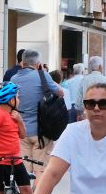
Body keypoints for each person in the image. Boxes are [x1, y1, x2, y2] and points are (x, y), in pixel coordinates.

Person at [9, 49, 65, 183]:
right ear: (38, 63)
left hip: (21, 131)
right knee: (39, 169)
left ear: (22, 62)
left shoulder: (13, 79)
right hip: (41, 131)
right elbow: (60, 92)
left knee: (25, 169)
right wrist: (42, 72)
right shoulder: (42, 76)